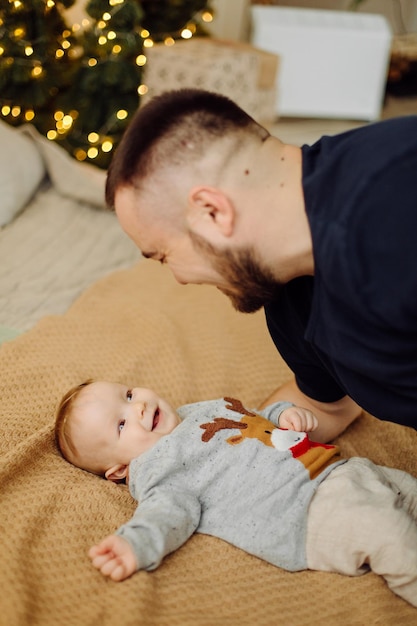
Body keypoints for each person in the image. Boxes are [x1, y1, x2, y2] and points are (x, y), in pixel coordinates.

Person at [104, 88, 417, 440]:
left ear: (212, 211)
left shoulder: (398, 194)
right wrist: (230, 454)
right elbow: (326, 406)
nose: (178, 278)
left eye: (163, 255)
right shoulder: (286, 299)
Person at [55, 379, 417, 606]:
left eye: (129, 394)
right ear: (119, 470)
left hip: (338, 470)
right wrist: (134, 543)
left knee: (408, 491)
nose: (138, 407)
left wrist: (287, 414)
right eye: (121, 423)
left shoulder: (195, 412)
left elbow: (255, 419)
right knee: (392, 536)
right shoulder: (157, 470)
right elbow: (167, 513)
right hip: (308, 512)